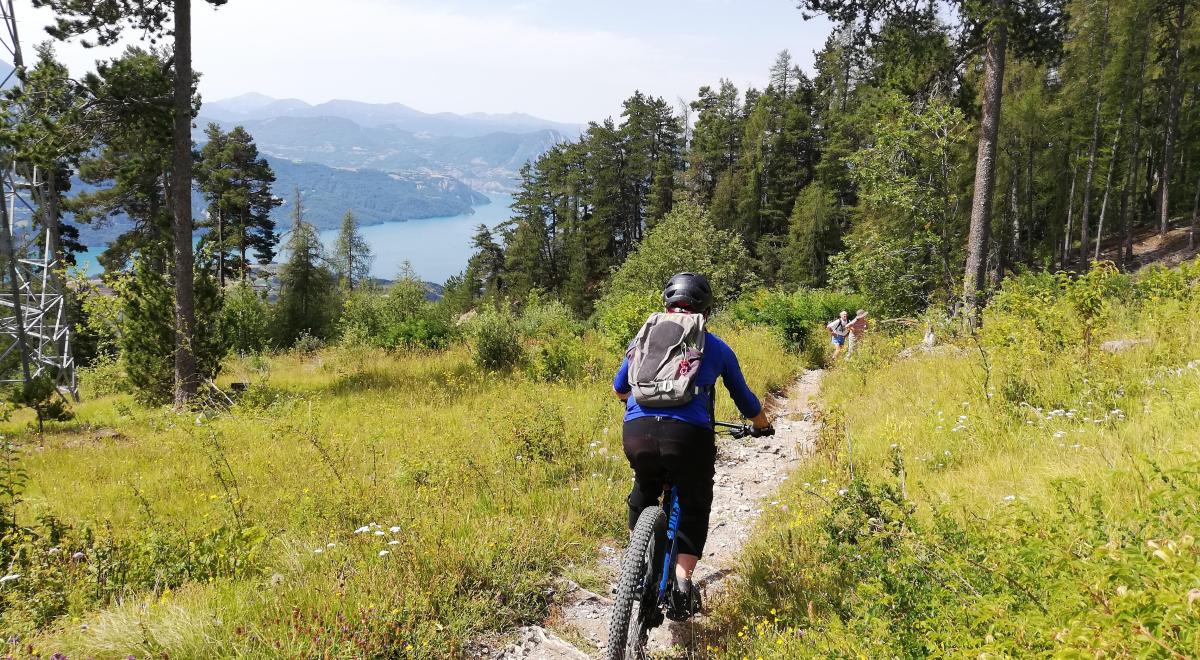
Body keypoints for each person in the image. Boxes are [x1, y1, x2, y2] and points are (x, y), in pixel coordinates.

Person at [613, 272, 772, 620]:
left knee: (644, 485)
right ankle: (683, 583)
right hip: (688, 439)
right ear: (706, 310)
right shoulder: (715, 346)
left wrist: (636, 401)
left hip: (636, 431)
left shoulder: (644, 339)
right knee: (695, 501)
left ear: (667, 305)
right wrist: (762, 426)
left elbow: (619, 386)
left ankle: (633, 564)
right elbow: (744, 399)